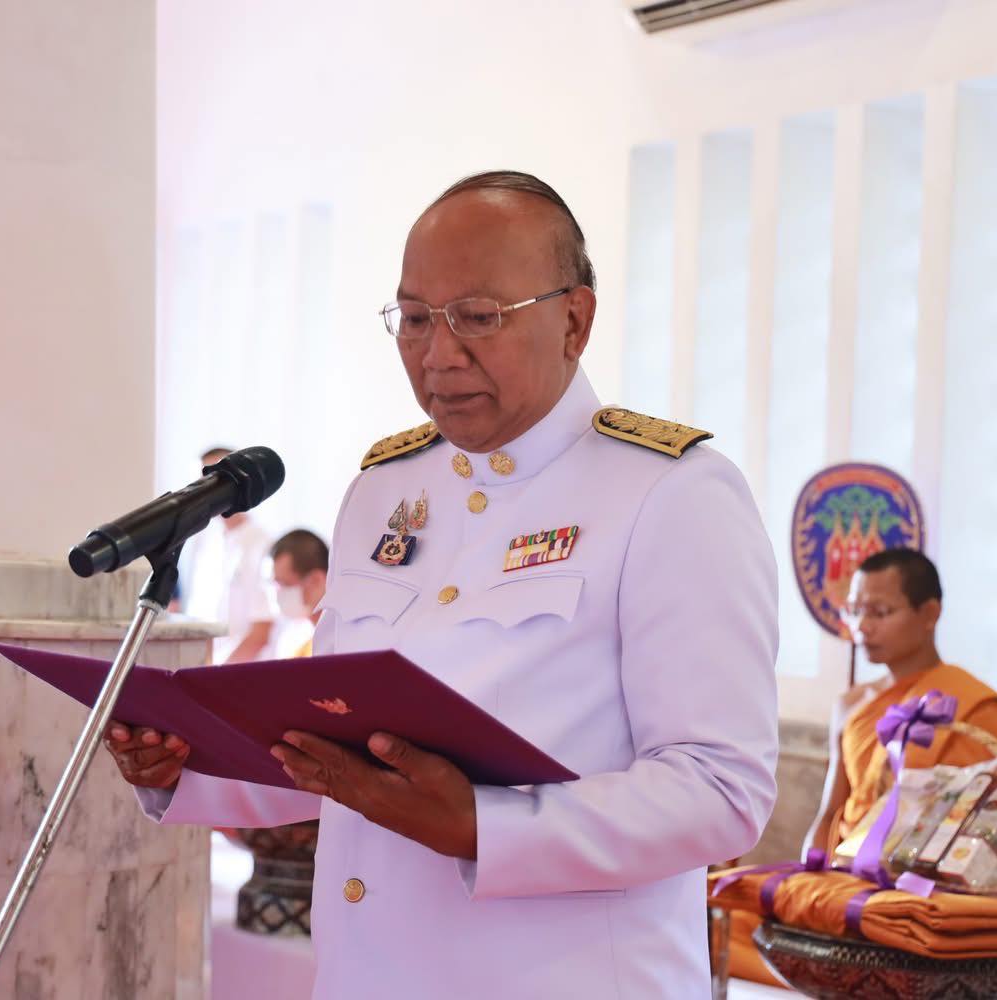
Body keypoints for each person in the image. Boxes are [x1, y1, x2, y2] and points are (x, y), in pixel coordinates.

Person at [106, 170, 780, 999]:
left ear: (576, 317)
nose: (438, 354)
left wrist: (483, 827)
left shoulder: (670, 493)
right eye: (416, 319)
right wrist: (183, 765)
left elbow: (720, 789)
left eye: (479, 318)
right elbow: (339, 747)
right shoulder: (386, 491)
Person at [727, 548, 997, 987]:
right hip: (842, 883)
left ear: (930, 613)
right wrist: (810, 884)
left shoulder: (974, 708)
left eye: (880, 612)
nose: (862, 627)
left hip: (911, 896)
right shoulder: (852, 704)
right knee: (720, 918)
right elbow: (832, 811)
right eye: (855, 611)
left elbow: (980, 840)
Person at [174, 445, 276, 663]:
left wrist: (218, 671)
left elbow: (262, 630)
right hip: (201, 666)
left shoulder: (262, 544)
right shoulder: (202, 541)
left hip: (240, 673)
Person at [270, 527, 329, 658]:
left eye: (285, 584)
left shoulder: (343, 639)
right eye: (276, 585)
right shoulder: (296, 641)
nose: (279, 593)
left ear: (316, 580)